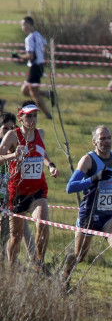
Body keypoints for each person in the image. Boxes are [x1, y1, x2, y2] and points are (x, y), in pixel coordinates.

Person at [63, 126, 112, 302]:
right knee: (79, 255)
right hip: (90, 214)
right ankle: (64, 280)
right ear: (95, 141)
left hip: (111, 214)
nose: (107, 141)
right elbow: (70, 187)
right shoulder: (88, 160)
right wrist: (94, 178)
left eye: (109, 138)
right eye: (102, 139)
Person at [0, 101, 58, 270]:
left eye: (35, 115)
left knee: (42, 224)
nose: (33, 119)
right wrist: (12, 156)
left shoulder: (41, 133)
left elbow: (42, 152)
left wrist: (50, 165)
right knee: (16, 237)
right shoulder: (12, 136)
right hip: (17, 192)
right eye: (29, 116)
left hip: (37, 190)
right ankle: (11, 266)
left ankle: (38, 264)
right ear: (21, 117)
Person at [0, 112, 34, 258]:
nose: (9, 132)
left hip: (9, 192)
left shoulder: (14, 145)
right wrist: (12, 156)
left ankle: (35, 261)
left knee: (19, 228)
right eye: (5, 128)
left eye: (12, 129)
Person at [12, 17, 52, 120]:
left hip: (35, 67)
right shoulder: (38, 34)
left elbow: (30, 56)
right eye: (22, 25)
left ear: (30, 25)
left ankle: (48, 115)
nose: (23, 27)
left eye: (24, 24)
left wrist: (19, 56)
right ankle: (47, 94)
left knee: (34, 93)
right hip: (39, 66)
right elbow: (46, 47)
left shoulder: (29, 38)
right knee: (25, 90)